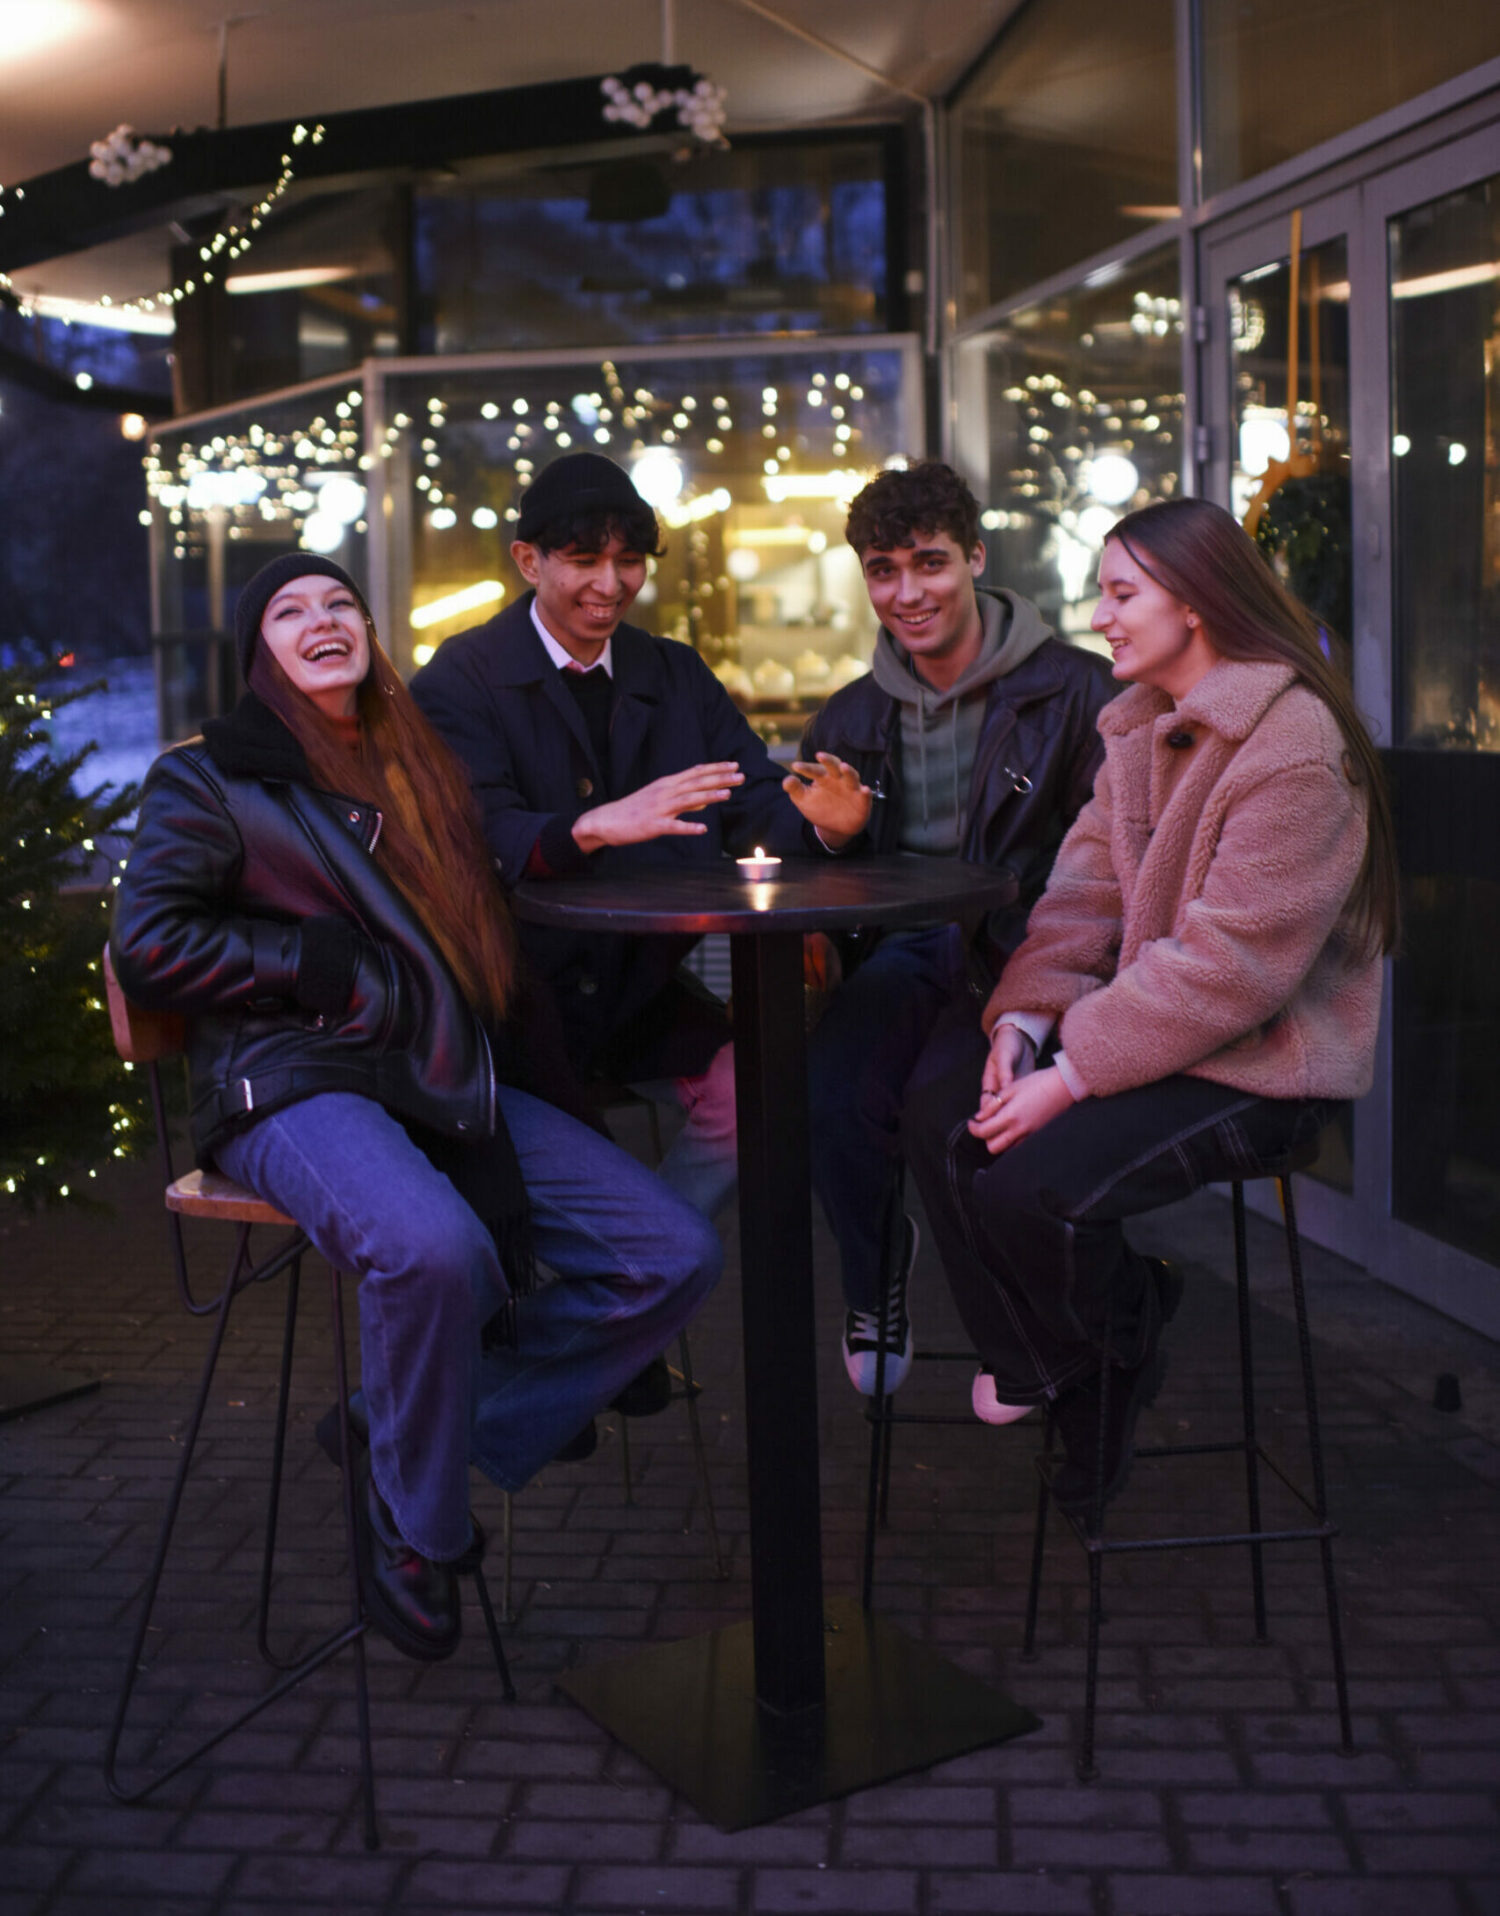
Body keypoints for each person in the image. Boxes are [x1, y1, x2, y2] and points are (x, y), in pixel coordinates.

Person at [110, 553, 723, 1663]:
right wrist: (318, 963)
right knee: (434, 1251)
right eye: (292, 612)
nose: (324, 620)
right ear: (261, 651)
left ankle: (398, 1427)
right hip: (290, 1075)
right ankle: (415, 1526)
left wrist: (593, 833)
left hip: (435, 1069)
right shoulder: (213, 776)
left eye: (341, 601)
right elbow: (148, 945)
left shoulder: (416, 760)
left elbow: (496, 875)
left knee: (670, 1252)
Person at [901, 496, 1398, 1509]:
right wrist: (1025, 1022)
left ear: (1199, 603)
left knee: (1020, 1184)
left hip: (1270, 1060)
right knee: (943, 1114)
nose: (1101, 616)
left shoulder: (1292, 741)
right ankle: (1058, 1363)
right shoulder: (1135, 727)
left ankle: (1113, 1346)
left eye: (1122, 593)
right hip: (1158, 1032)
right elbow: (1081, 894)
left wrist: (1072, 1075)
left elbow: (1235, 968)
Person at [410, 450, 870, 1229]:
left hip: (637, 985)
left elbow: (752, 800)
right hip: (509, 999)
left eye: (629, 562)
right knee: (548, 1163)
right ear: (529, 560)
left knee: (758, 1089)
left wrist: (826, 825)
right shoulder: (462, 677)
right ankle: (637, 1277)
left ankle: (643, 1264)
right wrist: (588, 827)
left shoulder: (675, 672)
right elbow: (470, 832)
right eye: (584, 560)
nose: (611, 584)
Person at [800, 461, 1113, 1394]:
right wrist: (835, 837)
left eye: (929, 564)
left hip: (1030, 952)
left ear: (976, 556)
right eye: (883, 570)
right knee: (830, 1094)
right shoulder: (854, 714)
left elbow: (1111, 861)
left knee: (960, 1119)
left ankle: (1020, 1328)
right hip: (911, 949)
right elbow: (823, 881)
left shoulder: (1077, 692)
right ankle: (875, 1279)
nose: (908, 592)